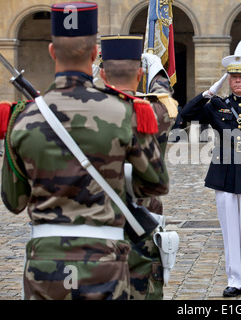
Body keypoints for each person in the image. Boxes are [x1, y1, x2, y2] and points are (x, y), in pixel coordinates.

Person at [0, 2, 169, 300]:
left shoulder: (21, 117)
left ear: (52, 51)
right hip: (104, 258)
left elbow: (14, 201)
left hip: (45, 260)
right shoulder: (126, 112)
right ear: (94, 54)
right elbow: (156, 183)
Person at [180, 55, 241, 298]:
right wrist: (208, 92)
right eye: (233, 77)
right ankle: (234, 280)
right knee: (229, 230)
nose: (237, 82)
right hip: (223, 172)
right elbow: (186, 114)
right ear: (229, 80)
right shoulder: (216, 105)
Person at [99, 34, 176, 300]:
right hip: (143, 214)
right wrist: (158, 72)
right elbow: (166, 101)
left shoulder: (86, 113)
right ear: (140, 71)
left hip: (98, 218)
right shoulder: (151, 112)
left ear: (102, 73)